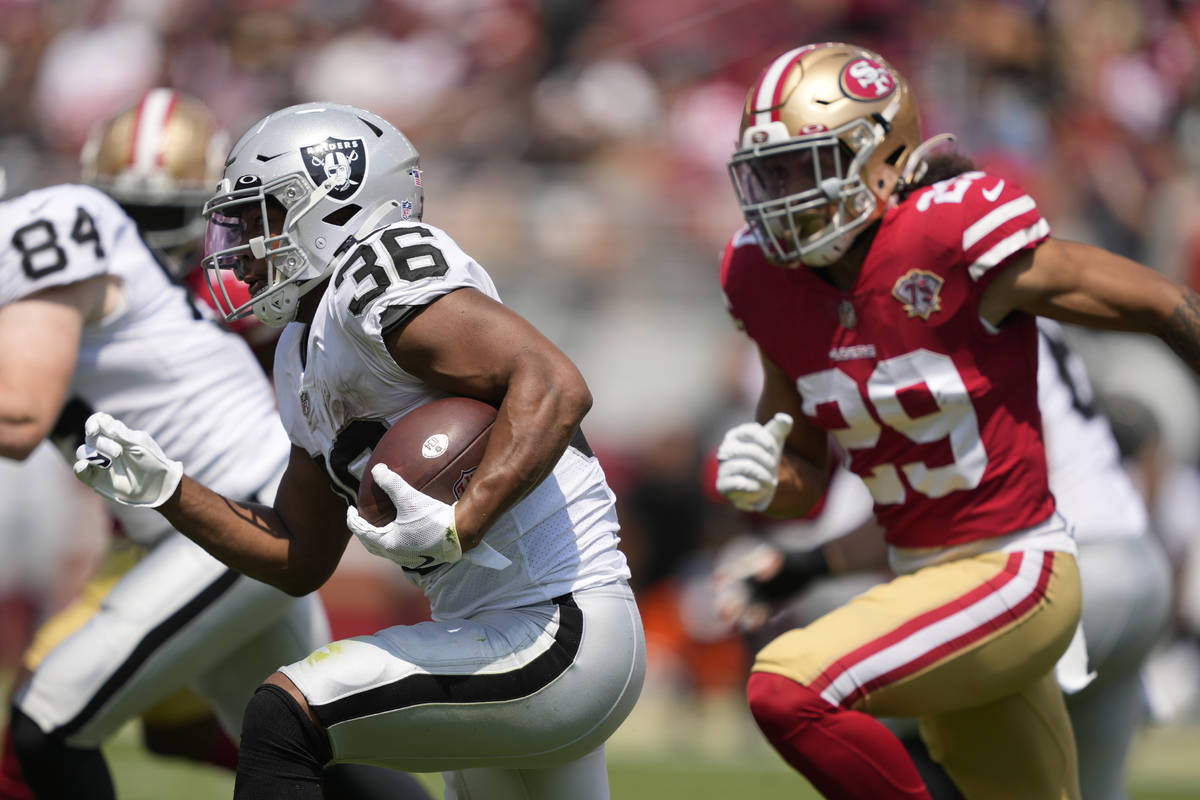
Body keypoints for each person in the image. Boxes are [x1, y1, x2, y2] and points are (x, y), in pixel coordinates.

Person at [72, 101, 646, 800]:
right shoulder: (297, 351)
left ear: (337, 205)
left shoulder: (381, 273)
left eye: (263, 218)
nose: (241, 245)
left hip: (559, 627)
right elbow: (296, 555)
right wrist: (171, 492)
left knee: (286, 713)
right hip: (496, 634)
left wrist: (466, 516)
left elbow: (553, 382)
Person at [713, 41, 1200, 800]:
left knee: (787, 685)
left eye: (805, 168)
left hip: (1016, 569)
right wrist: (759, 484)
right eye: (770, 174)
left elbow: (1158, 302)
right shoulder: (765, 282)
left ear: (884, 156)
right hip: (927, 579)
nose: (784, 195)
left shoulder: (947, 235)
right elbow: (801, 479)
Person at [0, 89, 430, 800]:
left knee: (47, 724)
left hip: (231, 509)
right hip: (196, 520)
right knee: (307, 752)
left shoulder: (52, 227)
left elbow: (20, 419)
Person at [714, 318, 1173, 800]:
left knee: (879, 708)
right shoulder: (1009, 310)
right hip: (1132, 568)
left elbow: (974, 493)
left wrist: (812, 564)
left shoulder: (947, 317)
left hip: (1070, 582)